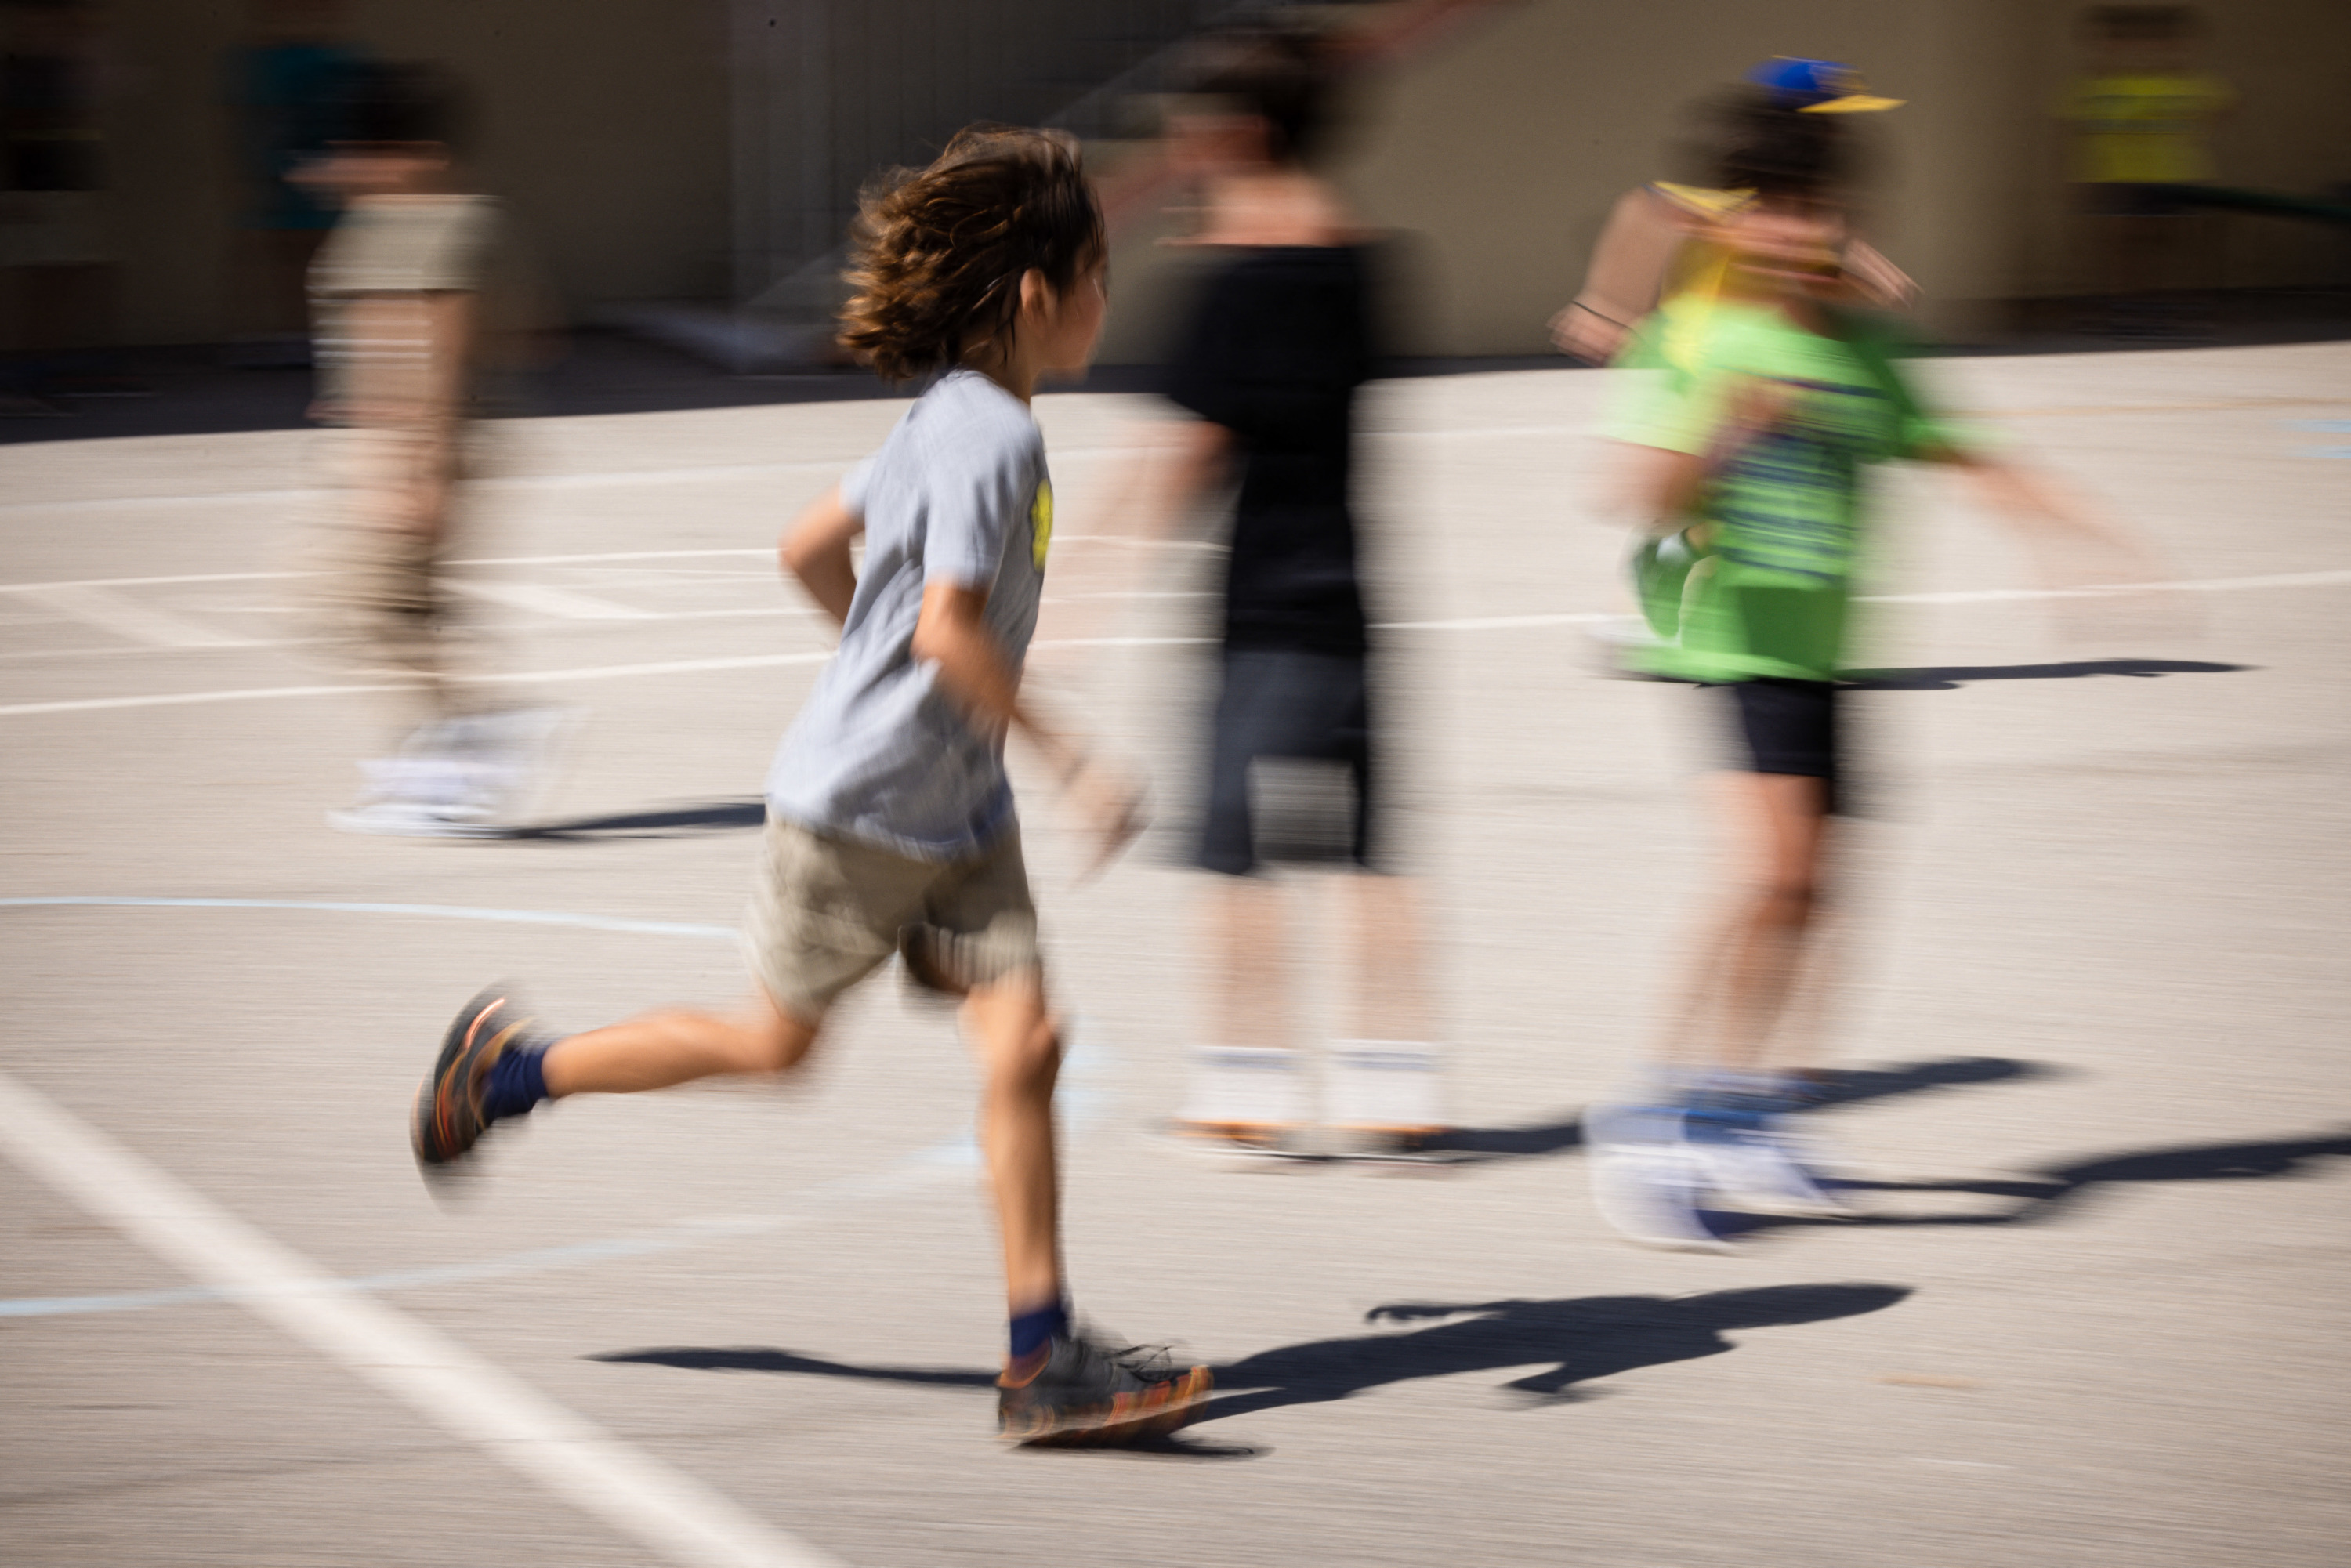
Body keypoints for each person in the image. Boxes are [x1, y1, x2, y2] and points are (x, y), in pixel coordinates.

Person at [408, 125, 1212, 1447]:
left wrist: (878, 666)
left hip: (956, 804)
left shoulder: (955, 418)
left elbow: (803, 550)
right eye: (1099, 273)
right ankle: (509, 1072)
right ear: (1035, 295)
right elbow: (949, 629)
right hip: (867, 809)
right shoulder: (991, 439)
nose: (1107, 298)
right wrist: (1069, 754)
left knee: (1027, 1042)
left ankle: (1040, 1357)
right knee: (773, 1046)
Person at [1586, 104, 2138, 1250]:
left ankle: (1748, 1117)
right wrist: (1729, 433)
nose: (1796, 230)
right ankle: (1649, 1119)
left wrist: (2066, 528)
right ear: (1734, 221)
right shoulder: (1696, 340)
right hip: (1728, 636)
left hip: (1827, 649)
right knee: (1774, 876)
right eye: (1773, 208)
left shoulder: (1862, 347)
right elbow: (1633, 493)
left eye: (1817, 207)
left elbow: (1954, 448)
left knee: (1819, 891)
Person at [1134, 26, 1444, 1159]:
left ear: (1240, 131)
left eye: (1193, 128)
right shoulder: (1365, 260)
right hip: (1354, 592)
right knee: (1370, 847)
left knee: (1232, 853)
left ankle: (1242, 1081)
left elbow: (1191, 452)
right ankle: (1396, 1084)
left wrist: (1090, 571)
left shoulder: (1230, 281)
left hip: (1259, 608)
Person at [298, 62, 563, 835]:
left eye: (367, 150)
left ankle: (474, 745)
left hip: (414, 447)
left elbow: (440, 347)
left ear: (419, 152)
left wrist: (419, 464)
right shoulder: (422, 217)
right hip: (385, 442)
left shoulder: (431, 223)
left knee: (371, 611)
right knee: (385, 612)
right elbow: (535, 329)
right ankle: (453, 754)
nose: (349, 164)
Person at [1549, 58, 1913, 369]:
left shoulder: (1817, 208)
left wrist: (1859, 280)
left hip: (1769, 357)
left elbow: (1815, 276)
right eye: (1831, 121)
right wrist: (1606, 305)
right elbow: (1644, 207)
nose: (1840, 133)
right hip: (1713, 357)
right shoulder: (1745, 203)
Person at [2059, 5, 2232, 336]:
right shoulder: (2091, 87)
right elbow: (2069, 130)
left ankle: (2173, 306)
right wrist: (2073, 177)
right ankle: (2126, 308)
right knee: (2122, 245)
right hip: (2115, 175)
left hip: (2176, 174)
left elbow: (2223, 108)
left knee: (2170, 242)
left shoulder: (2189, 84)